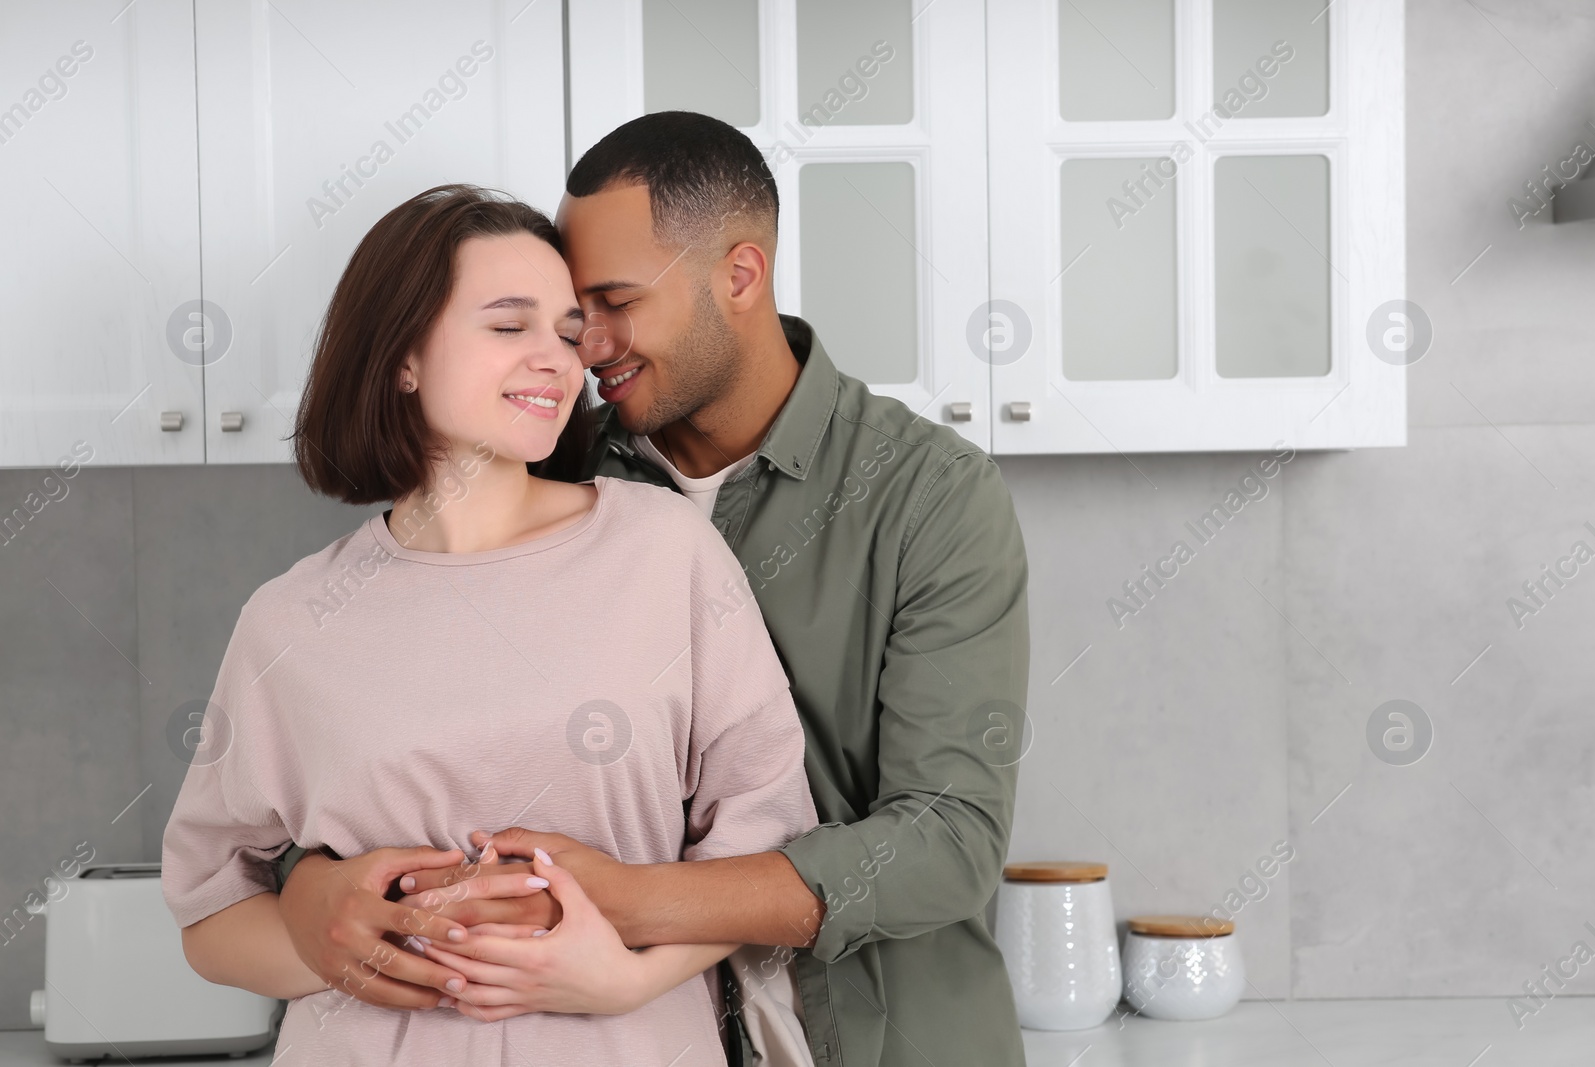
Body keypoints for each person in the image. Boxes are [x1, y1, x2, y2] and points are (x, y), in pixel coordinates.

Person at [276, 111, 1032, 1067]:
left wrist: (622, 896)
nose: (583, 346)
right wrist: (308, 886)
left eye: (613, 300)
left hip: (877, 1039)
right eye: (561, 312)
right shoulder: (551, 465)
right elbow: (390, 742)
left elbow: (950, 839)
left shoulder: (928, 495)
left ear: (741, 276)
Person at [160, 183, 819, 1066]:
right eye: (509, 326)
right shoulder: (290, 619)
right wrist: (333, 948)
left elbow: (765, 835)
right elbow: (209, 912)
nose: (554, 358)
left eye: (565, 331)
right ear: (403, 357)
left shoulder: (665, 552)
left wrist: (622, 977)